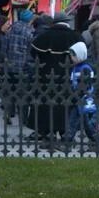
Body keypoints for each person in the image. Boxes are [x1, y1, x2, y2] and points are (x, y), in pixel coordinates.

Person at [29, 15, 84, 143]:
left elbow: (34, 53)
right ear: (66, 23)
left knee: (47, 104)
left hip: (46, 76)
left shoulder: (44, 36)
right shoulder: (75, 36)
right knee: (65, 105)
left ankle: (47, 132)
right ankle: (65, 132)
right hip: (67, 76)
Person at [65, 42, 99, 145]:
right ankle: (95, 140)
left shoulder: (85, 68)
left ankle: (68, 141)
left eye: (73, 56)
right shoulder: (77, 67)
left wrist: (78, 94)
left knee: (74, 120)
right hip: (79, 98)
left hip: (83, 98)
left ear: (80, 55)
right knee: (85, 123)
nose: (71, 58)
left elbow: (86, 85)